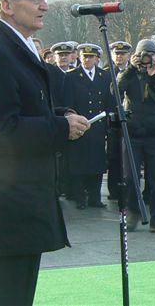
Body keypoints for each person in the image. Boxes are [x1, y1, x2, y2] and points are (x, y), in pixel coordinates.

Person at [0, 0, 90, 305]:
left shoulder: (13, 48)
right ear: (6, 5)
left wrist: (61, 116)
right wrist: (58, 127)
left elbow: (22, 108)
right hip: (4, 210)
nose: (44, 6)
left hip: (17, 205)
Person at [118, 39, 155, 235]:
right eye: (143, 55)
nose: (146, 59)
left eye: (150, 55)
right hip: (132, 133)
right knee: (130, 178)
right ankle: (133, 213)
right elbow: (114, 91)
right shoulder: (129, 74)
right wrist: (130, 70)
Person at [63, 43, 113, 209]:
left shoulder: (104, 76)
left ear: (97, 59)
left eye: (90, 57)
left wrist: (108, 123)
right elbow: (68, 102)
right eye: (84, 56)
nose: (87, 60)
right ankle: (80, 198)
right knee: (79, 163)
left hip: (98, 125)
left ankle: (95, 197)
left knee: (97, 163)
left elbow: (108, 101)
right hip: (80, 124)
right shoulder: (71, 76)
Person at [105, 41, 132, 200]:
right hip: (113, 121)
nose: (119, 57)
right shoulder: (106, 73)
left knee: (129, 157)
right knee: (114, 157)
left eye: (122, 54)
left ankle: (129, 189)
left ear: (129, 55)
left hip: (130, 120)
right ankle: (114, 190)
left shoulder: (133, 72)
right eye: (116, 54)